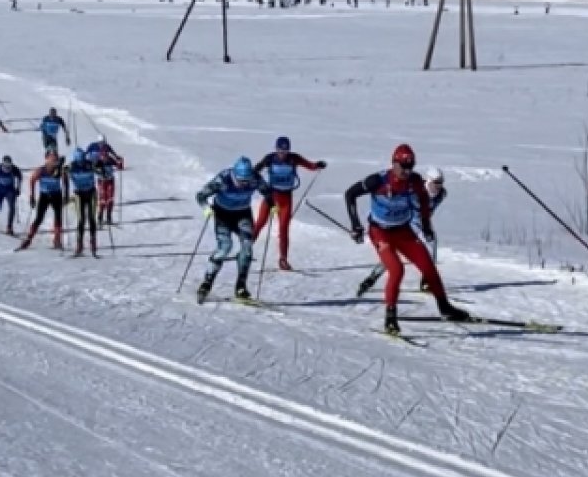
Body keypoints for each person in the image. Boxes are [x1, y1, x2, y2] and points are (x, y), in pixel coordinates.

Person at [345, 144, 468, 335]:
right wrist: (355, 225)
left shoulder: (415, 181)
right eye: (402, 166)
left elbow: (425, 203)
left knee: (428, 267)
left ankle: (445, 308)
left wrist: (426, 227)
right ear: (394, 163)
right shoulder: (377, 180)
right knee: (397, 269)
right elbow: (350, 194)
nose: (406, 171)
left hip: (403, 231)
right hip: (381, 232)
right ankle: (390, 318)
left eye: (410, 167)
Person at [194, 157, 274, 303]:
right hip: (222, 214)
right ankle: (207, 282)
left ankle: (241, 286)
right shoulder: (223, 179)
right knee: (225, 247)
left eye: (246, 180)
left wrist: (272, 204)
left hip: (242, 214)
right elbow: (200, 195)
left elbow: (267, 191)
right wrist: (206, 208)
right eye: (241, 180)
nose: (244, 184)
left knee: (247, 246)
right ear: (234, 175)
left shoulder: (254, 178)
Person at [357, 165, 446, 296]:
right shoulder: (415, 189)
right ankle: (371, 279)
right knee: (392, 256)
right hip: (404, 224)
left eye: (440, 183)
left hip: (420, 225)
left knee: (432, 244)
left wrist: (426, 225)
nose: (438, 186)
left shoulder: (441, 194)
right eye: (435, 183)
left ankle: (426, 281)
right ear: (427, 181)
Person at [253, 135, 327, 271]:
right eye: (280, 151)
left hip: (286, 199)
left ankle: (283, 259)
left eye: (285, 151)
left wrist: (318, 165)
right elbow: (255, 170)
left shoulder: (294, 158)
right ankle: (246, 250)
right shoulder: (270, 158)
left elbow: (310, 165)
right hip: (271, 197)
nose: (282, 154)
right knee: (260, 223)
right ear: (276, 149)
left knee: (283, 229)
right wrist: (255, 177)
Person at [20, 149, 69, 250]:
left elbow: (66, 181)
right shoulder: (41, 170)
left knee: (58, 217)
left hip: (56, 195)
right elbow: (32, 180)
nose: (53, 162)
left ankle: (57, 240)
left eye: (55, 160)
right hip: (45, 196)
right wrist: (32, 196)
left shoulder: (59, 170)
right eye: (51, 160)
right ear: (46, 159)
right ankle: (28, 239)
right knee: (39, 218)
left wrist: (66, 195)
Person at [67, 148, 100, 257]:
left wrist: (101, 169)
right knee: (81, 219)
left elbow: (99, 169)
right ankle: (79, 245)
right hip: (79, 194)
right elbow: (58, 173)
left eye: (82, 159)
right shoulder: (71, 166)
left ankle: (93, 243)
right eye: (79, 160)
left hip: (91, 193)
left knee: (91, 218)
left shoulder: (89, 164)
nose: (81, 162)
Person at [85, 134, 123, 226]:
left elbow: (119, 166)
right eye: (103, 156)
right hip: (101, 182)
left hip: (110, 181)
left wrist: (120, 162)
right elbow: (91, 167)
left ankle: (109, 217)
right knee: (102, 199)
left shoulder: (110, 159)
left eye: (105, 155)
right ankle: (100, 216)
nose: (104, 158)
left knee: (110, 199)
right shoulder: (98, 161)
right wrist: (97, 171)